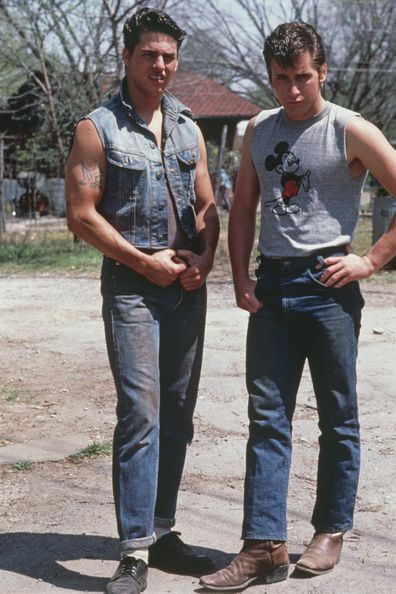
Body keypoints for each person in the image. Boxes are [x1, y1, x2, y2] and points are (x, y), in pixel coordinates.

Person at [200, 21, 396, 591]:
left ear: (323, 71)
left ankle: (330, 530)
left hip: (329, 286)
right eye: (281, 78)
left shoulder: (349, 128)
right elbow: (241, 208)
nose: (292, 90)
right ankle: (263, 544)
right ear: (270, 75)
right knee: (266, 419)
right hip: (273, 287)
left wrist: (369, 261)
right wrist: (239, 276)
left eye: (302, 78)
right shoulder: (258, 130)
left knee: (338, 415)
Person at [66, 7, 219, 594]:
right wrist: (141, 262)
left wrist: (203, 261)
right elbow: (80, 215)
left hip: (184, 286)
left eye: (169, 56)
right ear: (127, 57)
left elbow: (206, 204)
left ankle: (161, 532)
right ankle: (133, 550)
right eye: (150, 54)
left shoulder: (187, 125)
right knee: (141, 414)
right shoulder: (96, 126)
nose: (160, 65)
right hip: (133, 287)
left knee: (177, 413)